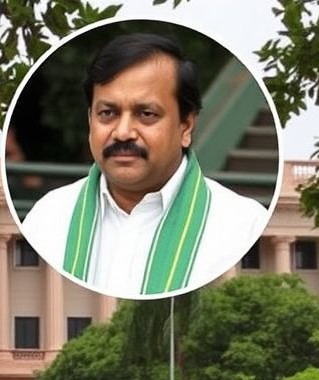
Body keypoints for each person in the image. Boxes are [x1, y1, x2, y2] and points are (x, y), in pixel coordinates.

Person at [20, 32, 270, 298]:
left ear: (186, 126)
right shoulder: (49, 217)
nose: (123, 132)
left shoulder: (243, 226)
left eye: (146, 114)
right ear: (90, 120)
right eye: (108, 114)